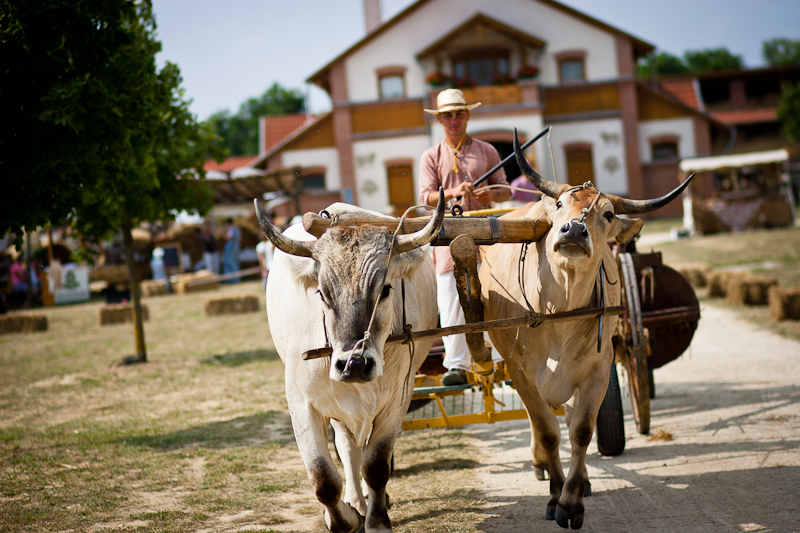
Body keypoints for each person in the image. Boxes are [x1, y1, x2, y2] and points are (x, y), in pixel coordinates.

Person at [418, 88, 512, 385]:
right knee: (451, 299)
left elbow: (505, 190)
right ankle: (456, 365)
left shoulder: (488, 151)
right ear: (440, 120)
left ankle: (501, 361)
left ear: (468, 115)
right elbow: (424, 197)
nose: (454, 120)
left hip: (486, 235)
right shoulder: (431, 156)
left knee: (494, 296)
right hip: (447, 237)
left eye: (459, 113)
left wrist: (489, 193)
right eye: (448, 115)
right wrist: (454, 192)